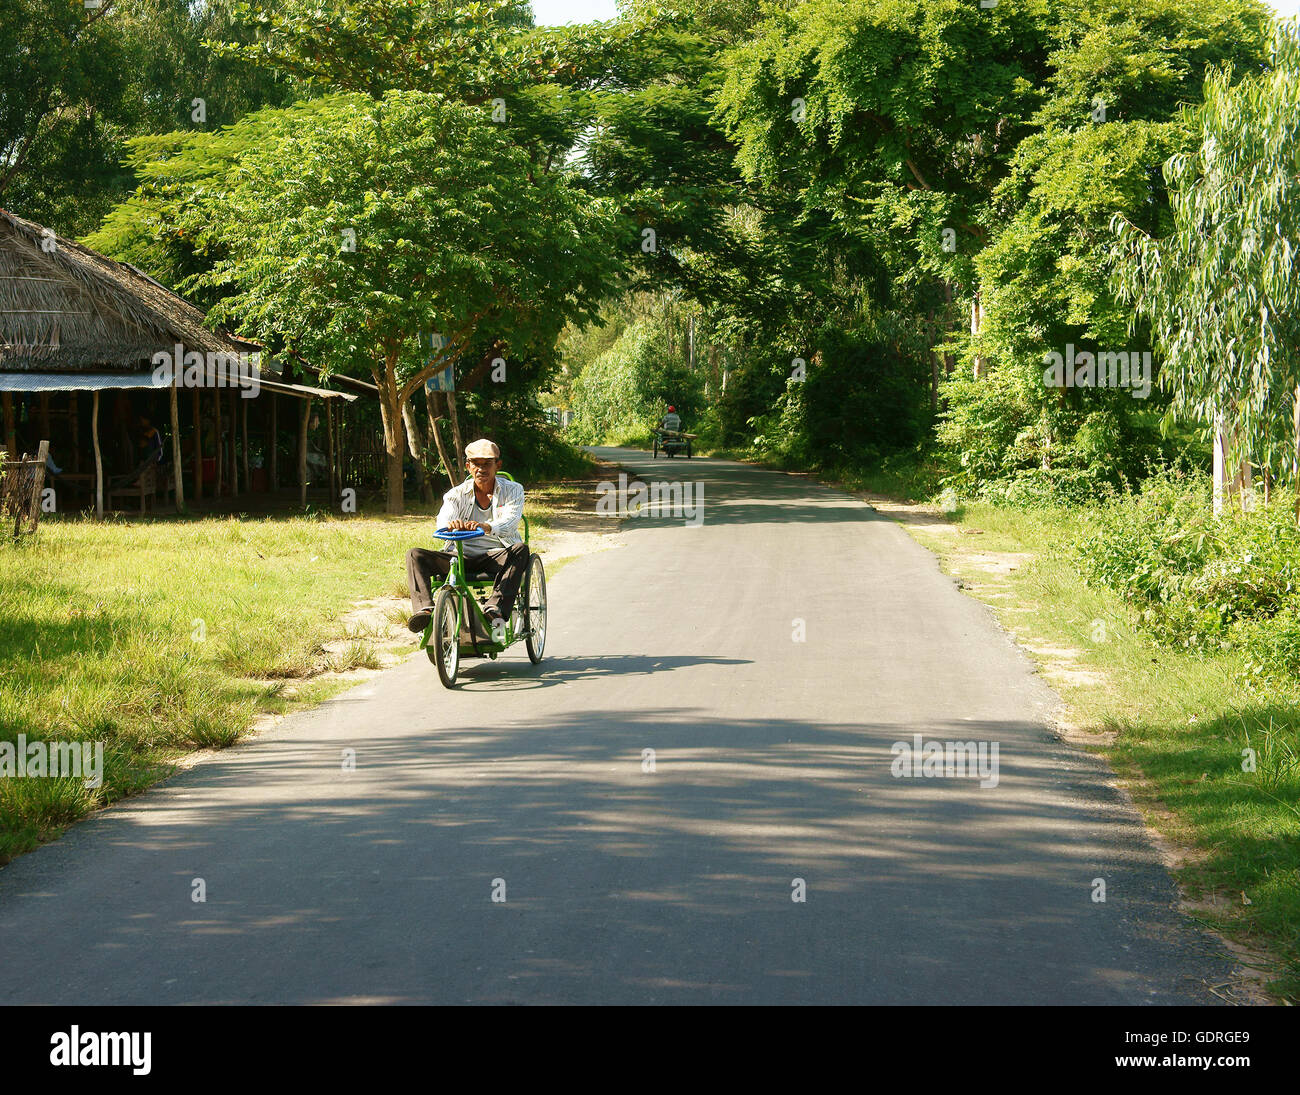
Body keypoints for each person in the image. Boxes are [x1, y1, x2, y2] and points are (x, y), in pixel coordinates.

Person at [405, 438, 529, 636]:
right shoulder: (456, 494)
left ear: (498, 465)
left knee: (521, 550)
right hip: (459, 556)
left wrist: (486, 526)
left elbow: (511, 521)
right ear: (468, 466)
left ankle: (495, 608)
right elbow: (444, 518)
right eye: (476, 464)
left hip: (496, 555)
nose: (481, 469)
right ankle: (425, 610)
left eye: (487, 464)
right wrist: (451, 525)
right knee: (414, 555)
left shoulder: (513, 490)